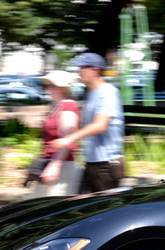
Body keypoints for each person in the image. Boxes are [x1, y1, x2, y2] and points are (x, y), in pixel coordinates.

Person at [50, 53, 124, 193]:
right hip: (92, 162)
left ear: (94, 70)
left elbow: (100, 125)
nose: (79, 72)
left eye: (82, 68)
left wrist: (69, 138)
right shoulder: (91, 93)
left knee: (107, 210)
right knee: (84, 208)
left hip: (106, 164)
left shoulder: (108, 92)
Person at [31, 70, 82, 198]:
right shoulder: (58, 106)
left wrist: (55, 165)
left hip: (61, 168)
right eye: (46, 85)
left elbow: (67, 139)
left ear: (62, 88)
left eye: (51, 85)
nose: (47, 88)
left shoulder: (68, 107)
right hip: (52, 165)